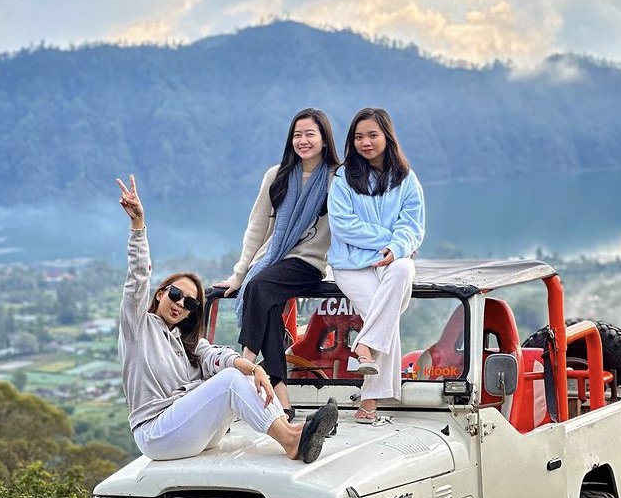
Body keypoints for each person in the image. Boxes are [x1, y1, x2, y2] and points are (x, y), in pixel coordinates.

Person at [115, 174, 337, 463]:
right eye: (175, 294)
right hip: (157, 432)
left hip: (193, 431)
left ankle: (291, 430)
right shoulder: (138, 330)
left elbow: (216, 356)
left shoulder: (185, 342)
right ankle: (292, 440)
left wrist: (254, 368)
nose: (180, 304)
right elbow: (136, 280)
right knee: (232, 380)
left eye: (190, 303)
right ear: (160, 294)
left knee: (236, 372)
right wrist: (138, 226)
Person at [213, 108, 340, 421]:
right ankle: (282, 399)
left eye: (310, 134)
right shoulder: (277, 175)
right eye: (297, 134)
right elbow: (257, 227)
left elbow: (354, 223)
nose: (303, 140)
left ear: (324, 139)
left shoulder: (337, 178)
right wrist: (239, 273)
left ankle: (245, 362)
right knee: (266, 302)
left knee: (259, 287)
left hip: (308, 263)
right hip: (272, 260)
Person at [327, 108, 425, 424]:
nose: (366, 142)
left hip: (389, 261)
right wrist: (388, 239)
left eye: (372, 135)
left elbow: (413, 225)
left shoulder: (407, 180)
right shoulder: (343, 177)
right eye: (359, 137)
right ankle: (370, 403)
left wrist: (397, 248)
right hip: (351, 264)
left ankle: (365, 345)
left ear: (387, 137)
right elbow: (342, 224)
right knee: (385, 316)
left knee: (404, 270)